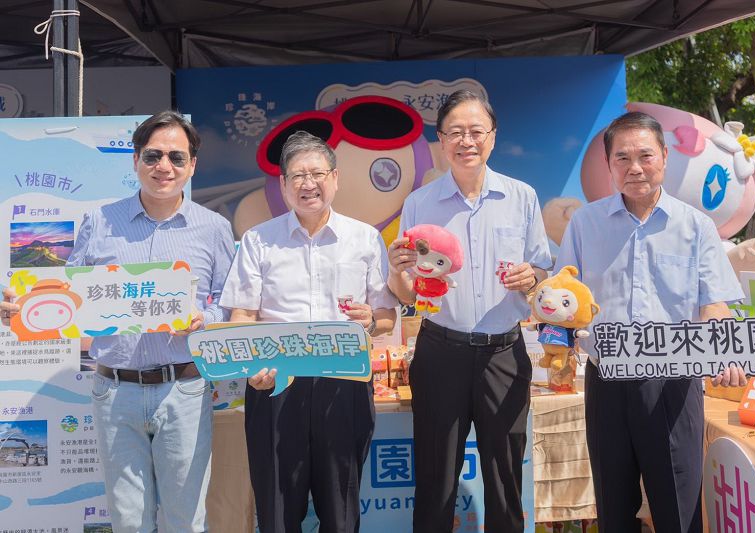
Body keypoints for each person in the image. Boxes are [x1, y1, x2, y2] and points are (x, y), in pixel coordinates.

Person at [0, 110, 236, 532]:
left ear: (192, 166)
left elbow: (229, 304)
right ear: (135, 160)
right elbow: (70, 295)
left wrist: (204, 318)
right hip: (115, 390)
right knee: (128, 521)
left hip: (183, 389)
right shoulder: (99, 222)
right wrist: (24, 311)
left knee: (186, 519)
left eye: (176, 158)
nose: (164, 167)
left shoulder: (214, 228)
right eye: (153, 155)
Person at [555, 111, 747, 533]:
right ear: (609, 165)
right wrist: (557, 344)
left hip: (675, 383)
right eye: (622, 158)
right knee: (614, 508)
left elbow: (714, 303)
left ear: (664, 157)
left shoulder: (696, 226)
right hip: (607, 379)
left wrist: (726, 351)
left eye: (645, 155)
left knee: (679, 508)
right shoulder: (585, 223)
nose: (635, 167)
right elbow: (563, 297)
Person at [387, 90, 551, 533]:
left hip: (504, 353)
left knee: (505, 477)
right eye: (455, 132)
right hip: (441, 351)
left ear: (492, 137)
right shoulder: (420, 204)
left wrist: (532, 276)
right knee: (435, 476)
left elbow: (542, 269)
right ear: (441, 140)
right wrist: (398, 269)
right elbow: (406, 290)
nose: (467, 141)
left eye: (476, 131)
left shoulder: (521, 197)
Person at [220, 130, 397, 533]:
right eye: (298, 175)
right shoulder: (258, 241)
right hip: (275, 386)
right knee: (277, 510)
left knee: (341, 509)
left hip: (344, 385)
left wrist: (370, 321)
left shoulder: (365, 239)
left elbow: (386, 318)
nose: (308, 184)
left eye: (317, 173)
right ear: (283, 184)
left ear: (335, 178)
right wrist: (251, 366)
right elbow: (242, 315)